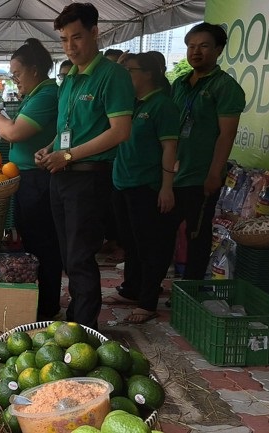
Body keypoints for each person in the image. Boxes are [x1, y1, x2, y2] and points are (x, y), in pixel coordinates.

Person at [35, 2, 134, 330]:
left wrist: (69, 156)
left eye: (76, 37)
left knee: (80, 258)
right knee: (68, 257)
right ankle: (76, 316)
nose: (70, 46)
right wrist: (50, 149)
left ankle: (85, 330)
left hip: (89, 179)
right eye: (64, 40)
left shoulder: (112, 75)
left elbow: (120, 131)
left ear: (95, 32)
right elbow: (69, 131)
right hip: (61, 176)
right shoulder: (71, 78)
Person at [0, 38, 63, 321]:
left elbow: (16, 132)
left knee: (44, 246)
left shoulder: (46, 95)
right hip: (29, 178)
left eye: (17, 73)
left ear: (35, 69)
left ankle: (46, 306)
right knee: (34, 243)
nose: (14, 79)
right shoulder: (36, 94)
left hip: (39, 180)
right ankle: (40, 301)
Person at [104, 52, 180, 323]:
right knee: (131, 243)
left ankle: (148, 302)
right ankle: (131, 289)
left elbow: (170, 148)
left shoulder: (162, 105)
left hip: (147, 186)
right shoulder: (131, 104)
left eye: (130, 71)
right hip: (122, 183)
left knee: (151, 247)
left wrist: (166, 187)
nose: (125, 76)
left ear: (149, 73)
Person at [171, 22, 245, 280]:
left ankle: (190, 287)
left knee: (196, 233)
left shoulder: (225, 87)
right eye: (191, 46)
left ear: (219, 49)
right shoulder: (180, 84)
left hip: (201, 175)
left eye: (203, 46)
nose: (196, 52)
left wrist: (214, 174)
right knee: (165, 231)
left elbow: (227, 134)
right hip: (173, 173)